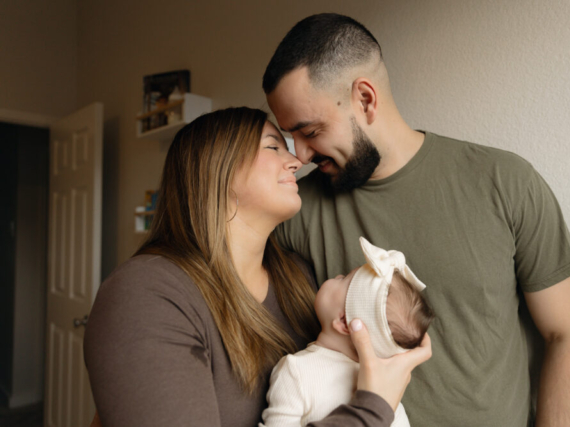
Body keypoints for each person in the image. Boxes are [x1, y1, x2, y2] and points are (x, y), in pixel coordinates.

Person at [263, 13, 570, 427]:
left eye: (310, 131)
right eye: (290, 136)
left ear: (365, 100)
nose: (301, 155)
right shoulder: (296, 210)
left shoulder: (504, 181)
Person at [83, 107, 432, 427]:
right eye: (273, 147)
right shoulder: (148, 293)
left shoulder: (298, 278)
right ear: (217, 169)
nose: (296, 159)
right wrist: (372, 409)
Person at [261, 237, 435, 427]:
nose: (337, 275)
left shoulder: (296, 372)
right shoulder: (388, 396)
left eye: (344, 279)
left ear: (344, 321)